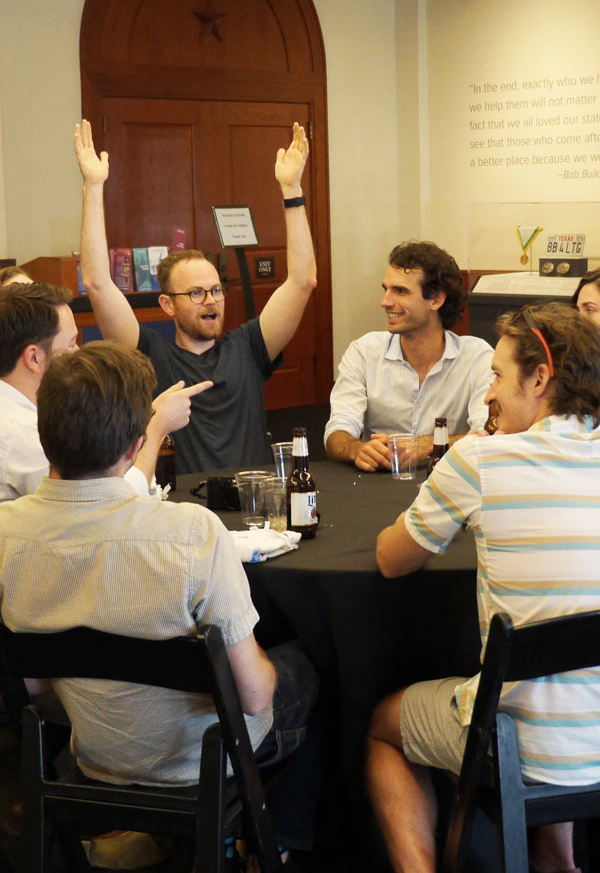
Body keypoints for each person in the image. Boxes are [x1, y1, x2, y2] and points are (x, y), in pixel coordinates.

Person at [0, 341, 319, 857]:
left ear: (44, 431)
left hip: (95, 752)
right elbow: (256, 698)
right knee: (305, 663)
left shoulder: (5, 535)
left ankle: (158, 837)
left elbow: (37, 684)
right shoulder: (192, 533)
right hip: (203, 759)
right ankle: (272, 845)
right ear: (134, 447)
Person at [368, 302, 600, 873]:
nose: (489, 394)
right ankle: (556, 861)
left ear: (540, 378)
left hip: (527, 747)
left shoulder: (481, 460)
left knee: (383, 725)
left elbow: (392, 560)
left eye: (497, 376)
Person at [74, 118, 317, 474]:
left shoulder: (249, 347)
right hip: (180, 515)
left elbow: (302, 281)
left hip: (252, 514)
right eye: (196, 292)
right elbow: (97, 284)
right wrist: (93, 188)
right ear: (167, 304)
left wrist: (292, 190)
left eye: (217, 289)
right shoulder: (148, 356)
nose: (211, 300)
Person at [0, 281, 211, 501]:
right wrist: (156, 426)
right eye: (71, 344)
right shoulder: (21, 431)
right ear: (34, 358)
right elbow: (105, 505)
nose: (77, 352)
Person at [324, 240, 493, 472]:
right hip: (375, 487)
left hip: (448, 486)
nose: (386, 302)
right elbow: (336, 433)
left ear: (436, 299)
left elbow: (489, 438)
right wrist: (357, 449)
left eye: (401, 291)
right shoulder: (363, 352)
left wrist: (424, 446)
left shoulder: (477, 357)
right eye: (387, 289)